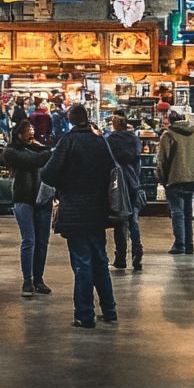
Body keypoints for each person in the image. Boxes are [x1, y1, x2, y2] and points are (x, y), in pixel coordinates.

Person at [39, 104, 118, 328]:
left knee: (82, 262)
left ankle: (85, 314)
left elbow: (48, 173)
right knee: (100, 260)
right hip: (98, 210)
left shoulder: (68, 142)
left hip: (74, 209)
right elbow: (112, 170)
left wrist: (67, 179)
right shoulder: (100, 141)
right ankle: (110, 309)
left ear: (70, 119)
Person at [0, 120, 54, 298]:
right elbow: (32, 160)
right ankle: (27, 281)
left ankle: (39, 280)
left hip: (42, 199)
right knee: (29, 240)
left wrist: (42, 149)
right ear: (19, 134)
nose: (32, 134)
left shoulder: (38, 148)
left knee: (42, 242)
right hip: (23, 199)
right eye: (28, 132)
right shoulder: (11, 152)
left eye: (33, 131)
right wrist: (46, 151)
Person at [157, 109, 194, 254]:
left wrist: (162, 178)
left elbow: (162, 160)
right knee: (187, 212)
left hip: (174, 177)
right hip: (191, 178)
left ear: (170, 122)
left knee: (177, 211)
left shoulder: (168, 135)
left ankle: (180, 244)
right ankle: (189, 245)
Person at [106, 113, 143, 271]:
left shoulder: (109, 141)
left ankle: (120, 257)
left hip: (117, 184)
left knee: (120, 220)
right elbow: (138, 162)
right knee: (133, 220)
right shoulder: (134, 140)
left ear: (113, 126)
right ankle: (137, 251)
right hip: (133, 181)